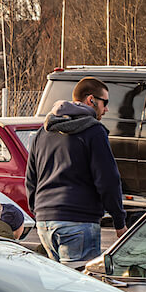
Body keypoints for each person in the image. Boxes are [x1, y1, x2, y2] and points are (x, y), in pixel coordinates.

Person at [25, 76, 127, 268]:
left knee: (60, 286)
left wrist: (38, 212)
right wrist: (119, 221)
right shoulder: (94, 131)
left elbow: (31, 179)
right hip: (78, 221)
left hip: (45, 222)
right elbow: (108, 180)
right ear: (91, 100)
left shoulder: (43, 132)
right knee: (79, 289)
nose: (106, 109)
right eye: (105, 103)